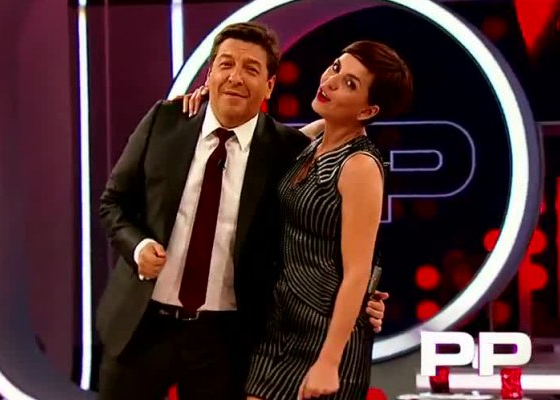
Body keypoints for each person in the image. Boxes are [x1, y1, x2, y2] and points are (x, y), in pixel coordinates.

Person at [95, 22, 389, 400]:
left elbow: (324, 233)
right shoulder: (165, 121)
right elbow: (113, 202)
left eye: (250, 69)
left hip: (226, 342)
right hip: (141, 327)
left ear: (269, 86)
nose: (235, 77)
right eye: (226, 65)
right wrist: (137, 247)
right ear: (210, 74)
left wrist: (365, 300)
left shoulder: (286, 150)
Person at [181, 40, 413, 399]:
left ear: (368, 110)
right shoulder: (311, 140)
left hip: (325, 335)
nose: (331, 82)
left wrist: (329, 361)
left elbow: (357, 272)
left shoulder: (360, 166)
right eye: (336, 67)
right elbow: (253, 139)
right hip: (279, 325)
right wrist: (210, 101)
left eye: (350, 84)